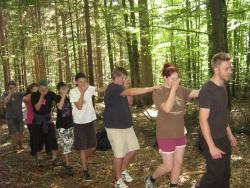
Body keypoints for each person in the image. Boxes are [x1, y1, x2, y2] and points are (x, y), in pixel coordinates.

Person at [144, 64, 199, 188]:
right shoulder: (158, 91)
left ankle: (173, 185)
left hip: (180, 132)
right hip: (165, 133)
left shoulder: (180, 89)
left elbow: (196, 93)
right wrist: (173, 89)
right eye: (172, 79)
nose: (175, 81)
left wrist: (211, 86)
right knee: (168, 166)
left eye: (177, 78)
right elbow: (167, 108)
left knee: (178, 162)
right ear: (165, 77)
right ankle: (151, 178)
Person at [104, 67, 160, 188]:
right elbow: (130, 93)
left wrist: (127, 87)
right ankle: (118, 180)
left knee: (134, 148)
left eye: (125, 78)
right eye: (123, 78)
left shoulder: (122, 89)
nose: (124, 80)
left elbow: (130, 102)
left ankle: (123, 170)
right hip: (114, 126)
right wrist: (151, 88)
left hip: (126, 125)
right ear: (118, 77)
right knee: (119, 154)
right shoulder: (112, 87)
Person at [195, 52, 237, 188]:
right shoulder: (207, 90)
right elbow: (202, 120)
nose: (230, 71)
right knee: (215, 174)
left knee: (225, 173)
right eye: (226, 68)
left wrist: (230, 135)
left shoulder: (223, 87)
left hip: (223, 137)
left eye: (230, 67)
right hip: (210, 139)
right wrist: (211, 146)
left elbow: (223, 116)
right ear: (216, 69)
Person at [69, 72, 105, 181]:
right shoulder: (73, 92)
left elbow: (100, 90)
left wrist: (114, 84)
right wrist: (83, 92)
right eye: (80, 82)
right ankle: (85, 171)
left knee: (93, 147)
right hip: (79, 123)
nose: (82, 84)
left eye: (84, 82)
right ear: (76, 82)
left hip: (90, 121)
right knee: (83, 148)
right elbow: (79, 106)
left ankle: (83, 160)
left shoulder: (89, 88)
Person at [31, 80, 60, 166]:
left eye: (46, 87)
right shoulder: (34, 95)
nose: (44, 89)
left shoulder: (51, 94)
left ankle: (54, 157)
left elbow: (59, 100)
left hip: (48, 119)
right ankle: (39, 158)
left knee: (52, 138)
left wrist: (63, 93)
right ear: (39, 87)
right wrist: (42, 96)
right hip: (38, 121)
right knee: (38, 139)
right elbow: (37, 108)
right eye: (42, 87)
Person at [55, 81, 74, 176]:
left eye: (65, 88)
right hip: (61, 126)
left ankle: (64, 160)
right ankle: (67, 165)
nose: (64, 90)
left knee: (69, 143)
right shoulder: (58, 97)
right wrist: (63, 96)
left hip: (70, 124)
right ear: (59, 90)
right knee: (66, 144)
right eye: (62, 88)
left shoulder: (70, 98)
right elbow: (59, 107)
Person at [2, 81, 24, 151]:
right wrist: (10, 93)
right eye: (10, 87)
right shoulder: (5, 94)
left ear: (15, 87)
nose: (12, 88)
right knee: (13, 133)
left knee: (20, 131)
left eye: (13, 87)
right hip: (10, 117)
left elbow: (28, 95)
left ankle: (20, 144)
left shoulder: (19, 94)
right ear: (8, 88)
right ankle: (14, 146)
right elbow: (5, 102)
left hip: (19, 116)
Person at [23, 83, 39, 156]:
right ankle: (33, 151)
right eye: (36, 88)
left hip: (37, 117)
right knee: (32, 135)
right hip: (30, 117)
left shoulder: (38, 95)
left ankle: (37, 150)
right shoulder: (28, 96)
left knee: (37, 134)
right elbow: (25, 99)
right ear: (31, 89)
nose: (37, 89)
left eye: (37, 88)